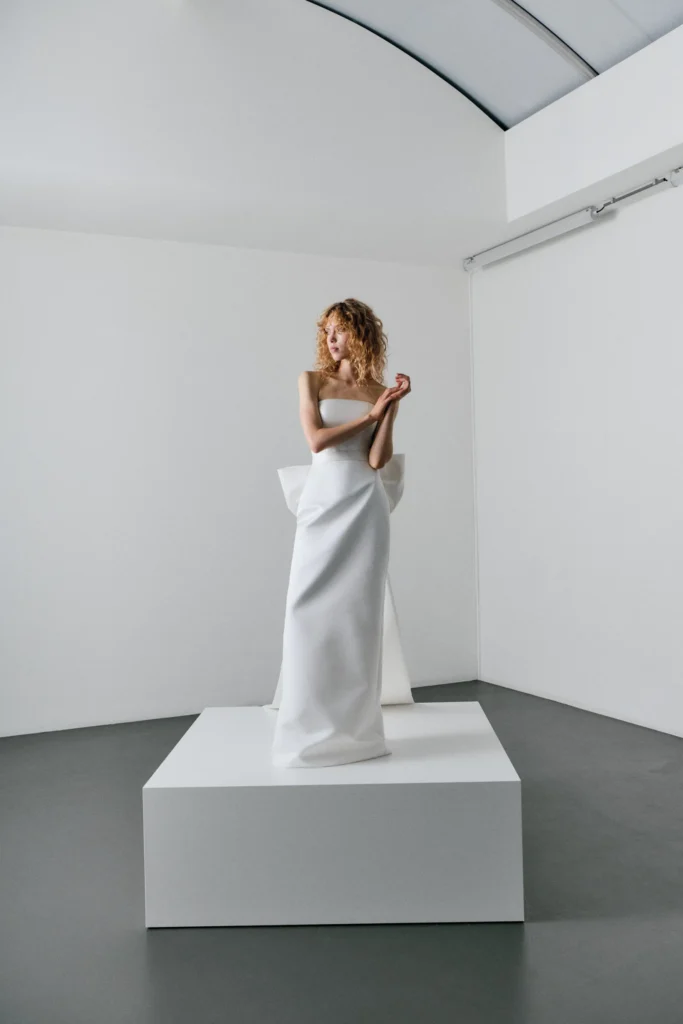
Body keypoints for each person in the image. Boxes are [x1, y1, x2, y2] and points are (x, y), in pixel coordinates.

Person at [269, 298, 411, 768]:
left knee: (358, 618)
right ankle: (306, 731)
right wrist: (369, 416)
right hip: (323, 500)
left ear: (361, 334)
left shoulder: (377, 391)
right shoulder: (312, 380)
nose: (331, 338)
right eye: (327, 330)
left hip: (365, 505)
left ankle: (358, 734)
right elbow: (316, 441)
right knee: (306, 610)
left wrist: (390, 409)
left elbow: (376, 460)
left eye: (341, 330)